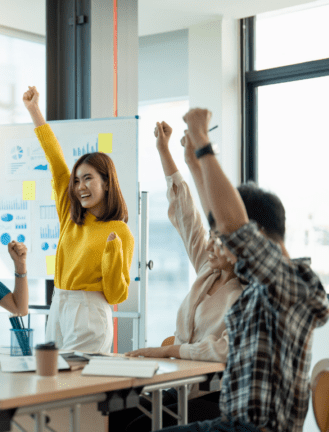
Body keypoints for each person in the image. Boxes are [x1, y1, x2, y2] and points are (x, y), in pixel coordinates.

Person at [156, 109, 329, 432]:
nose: (221, 247)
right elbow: (219, 222)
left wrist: (203, 142)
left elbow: (233, 226)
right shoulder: (259, 285)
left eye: (228, 241)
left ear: (258, 236)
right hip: (233, 424)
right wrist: (194, 163)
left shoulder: (292, 283)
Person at [112, 121, 245, 431]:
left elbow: (223, 350)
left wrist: (166, 351)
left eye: (219, 240)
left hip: (215, 397)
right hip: (181, 387)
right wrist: (164, 151)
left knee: (134, 425)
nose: (210, 244)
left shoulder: (246, 293)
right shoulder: (209, 269)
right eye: (211, 237)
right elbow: (187, 214)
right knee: (117, 414)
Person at [23, 86, 134, 352]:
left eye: (88, 179)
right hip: (59, 304)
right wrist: (34, 110)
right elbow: (55, 159)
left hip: (89, 310)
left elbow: (117, 294)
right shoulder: (71, 218)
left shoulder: (120, 232)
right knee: (54, 382)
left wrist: (111, 253)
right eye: (76, 181)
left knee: (79, 386)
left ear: (107, 183)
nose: (80, 186)